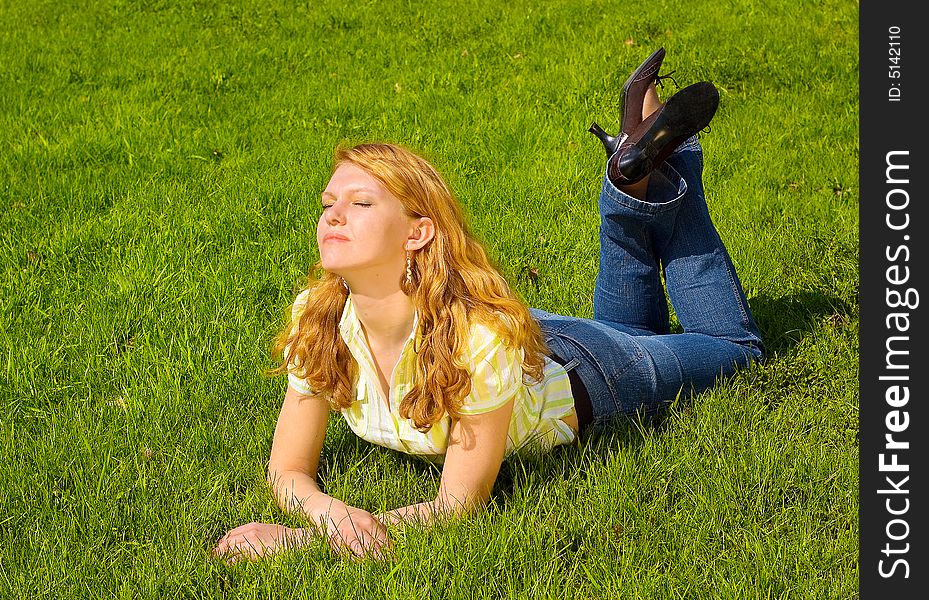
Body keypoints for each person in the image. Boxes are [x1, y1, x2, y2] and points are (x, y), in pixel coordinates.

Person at [213, 47, 765, 562]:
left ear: (418, 233)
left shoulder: (477, 340)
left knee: (733, 348)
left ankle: (678, 160)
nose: (333, 215)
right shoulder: (318, 314)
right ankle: (633, 168)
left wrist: (301, 543)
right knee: (627, 326)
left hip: (592, 374)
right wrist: (328, 515)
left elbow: (457, 505)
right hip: (523, 351)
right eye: (329, 202)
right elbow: (287, 469)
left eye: (360, 203)